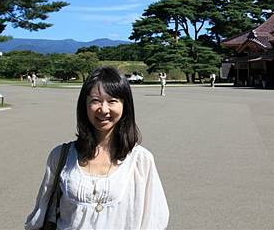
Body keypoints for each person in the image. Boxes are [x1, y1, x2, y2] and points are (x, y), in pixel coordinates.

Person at [25, 67, 169, 230]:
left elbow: (154, 220)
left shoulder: (141, 161)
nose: (104, 109)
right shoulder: (61, 156)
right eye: (95, 100)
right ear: (84, 105)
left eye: (112, 101)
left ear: (125, 105)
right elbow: (45, 214)